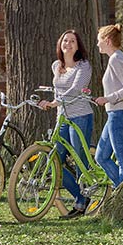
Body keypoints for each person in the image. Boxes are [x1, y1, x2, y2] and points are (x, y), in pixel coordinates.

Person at [39, 29, 93, 219]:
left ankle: (84, 197)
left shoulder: (83, 66)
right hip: (62, 118)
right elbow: (57, 91)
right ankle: (80, 196)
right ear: (60, 44)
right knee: (56, 160)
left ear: (78, 46)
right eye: (65, 41)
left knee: (79, 159)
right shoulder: (57, 66)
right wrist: (52, 104)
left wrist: (54, 102)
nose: (68, 44)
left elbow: (75, 89)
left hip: (81, 117)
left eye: (72, 41)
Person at [94, 24, 123, 188]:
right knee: (101, 157)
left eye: (99, 40)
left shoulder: (116, 60)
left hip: (121, 114)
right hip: (115, 114)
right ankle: (120, 190)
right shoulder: (116, 58)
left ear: (107, 40)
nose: (97, 44)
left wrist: (108, 98)